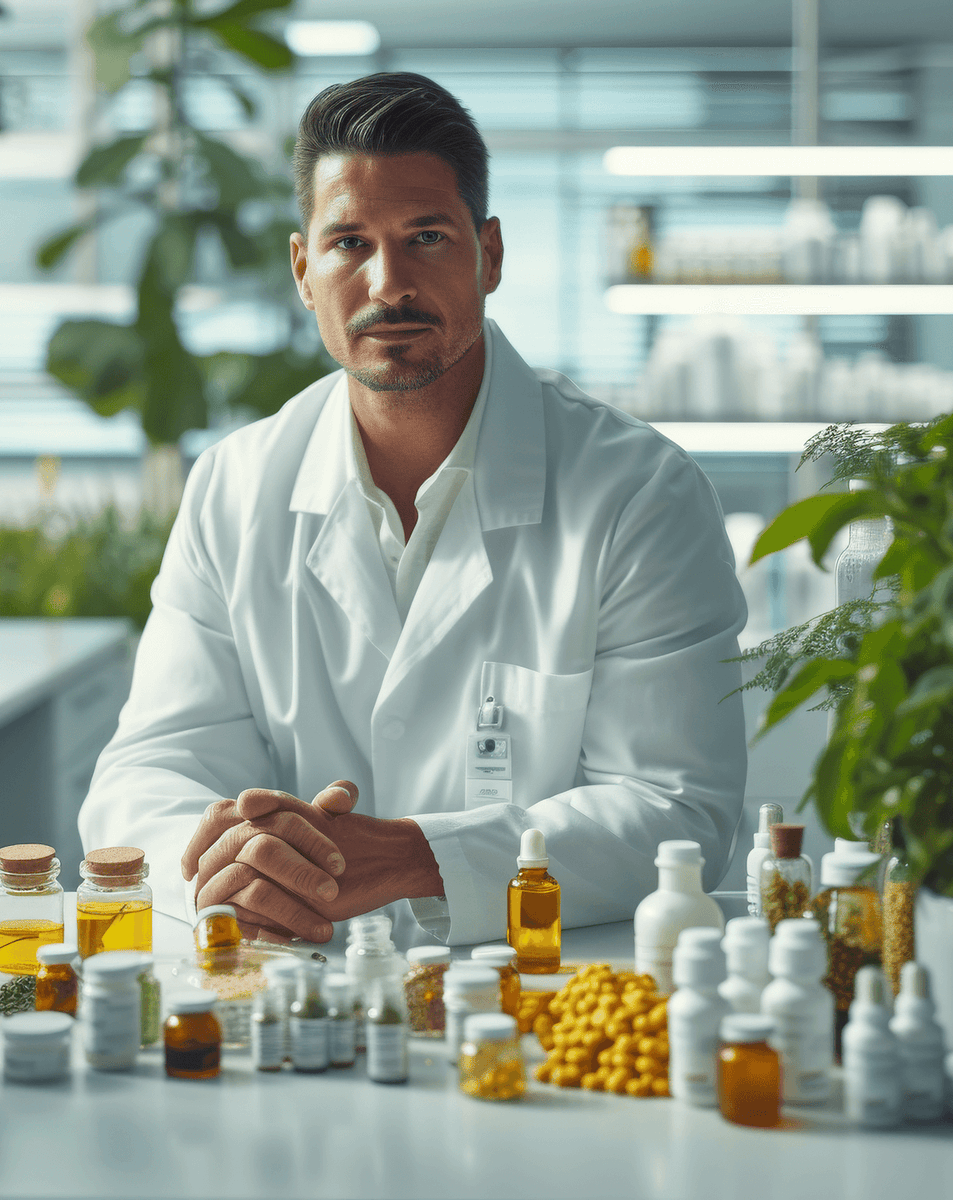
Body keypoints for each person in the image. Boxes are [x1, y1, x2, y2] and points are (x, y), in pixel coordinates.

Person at [79, 72, 747, 947]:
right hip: (291, 981)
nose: (387, 283)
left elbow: (677, 812)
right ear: (302, 271)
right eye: (349, 242)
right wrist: (233, 866)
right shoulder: (234, 488)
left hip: (533, 990)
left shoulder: (636, 493)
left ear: (489, 255)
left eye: (426, 236)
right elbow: (148, 773)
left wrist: (414, 857)